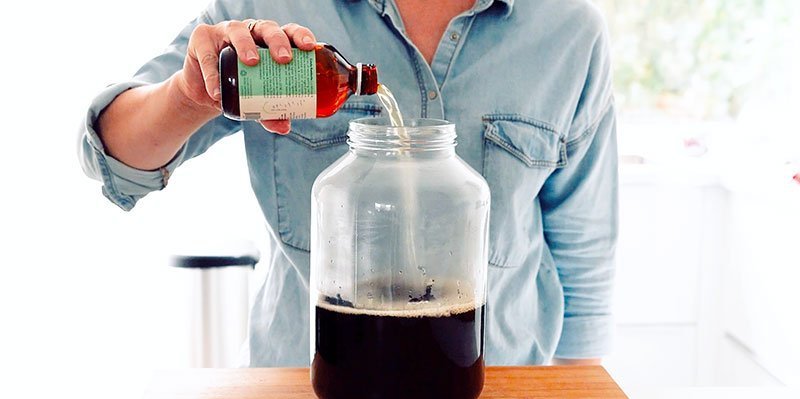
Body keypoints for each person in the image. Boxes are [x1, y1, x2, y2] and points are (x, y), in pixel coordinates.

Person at [79, 0, 618, 367]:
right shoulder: (272, 10)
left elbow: (583, 245)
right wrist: (185, 97)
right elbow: (111, 155)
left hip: (500, 392)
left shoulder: (569, 28)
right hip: (306, 393)